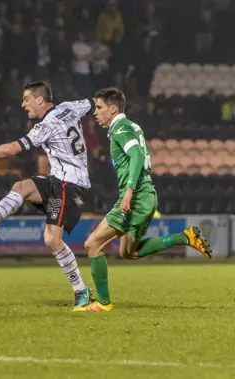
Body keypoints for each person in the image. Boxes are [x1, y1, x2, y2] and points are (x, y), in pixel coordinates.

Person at [0, 81, 95, 310]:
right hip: (59, 181)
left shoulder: (47, 125)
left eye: (26, 99)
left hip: (72, 187)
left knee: (52, 239)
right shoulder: (71, 107)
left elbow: (13, 149)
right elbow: (94, 102)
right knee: (21, 187)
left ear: (40, 100)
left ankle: (81, 291)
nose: (23, 104)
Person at [77, 87, 212, 312]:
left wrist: (129, 190)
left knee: (92, 244)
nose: (96, 113)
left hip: (137, 196)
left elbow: (138, 155)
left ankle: (102, 302)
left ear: (113, 109)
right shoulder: (131, 127)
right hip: (144, 195)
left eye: (99, 108)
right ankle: (185, 237)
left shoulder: (120, 128)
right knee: (129, 253)